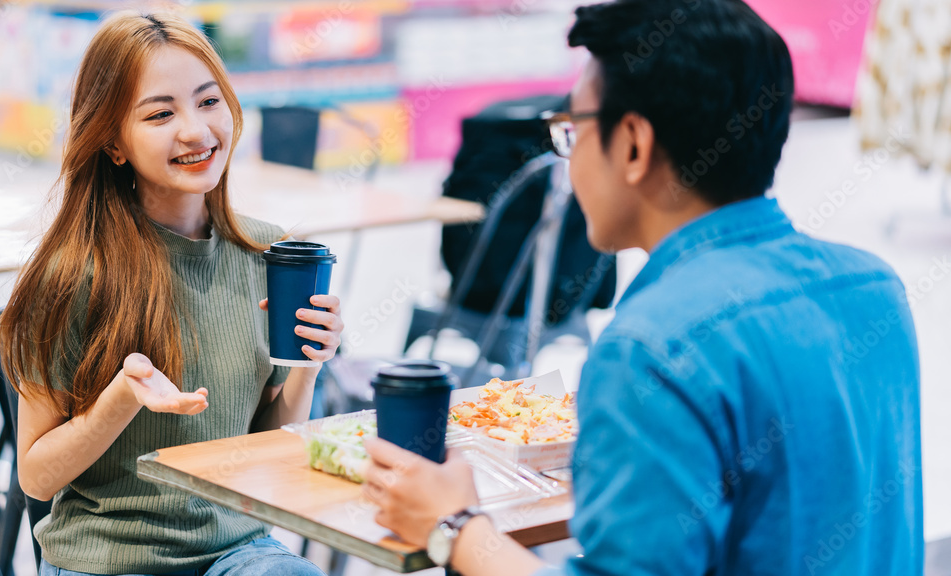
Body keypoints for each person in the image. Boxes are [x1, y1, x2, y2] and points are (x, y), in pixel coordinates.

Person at [361, 1, 924, 575]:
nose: (571, 158)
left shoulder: (652, 348)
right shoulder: (875, 288)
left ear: (632, 144)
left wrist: (452, 528)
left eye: (572, 131)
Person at [0, 12, 338, 576]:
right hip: (109, 559)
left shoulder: (269, 252)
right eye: (160, 113)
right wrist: (120, 399)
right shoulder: (72, 275)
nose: (196, 132)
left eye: (209, 102)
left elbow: (265, 446)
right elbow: (36, 476)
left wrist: (308, 366)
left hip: (238, 551)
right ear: (111, 143)